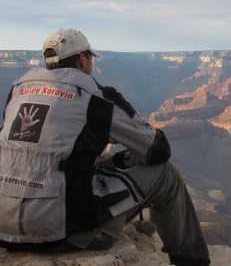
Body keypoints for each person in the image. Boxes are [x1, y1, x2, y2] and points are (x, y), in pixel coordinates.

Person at [0, 28, 210, 266]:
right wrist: (124, 156)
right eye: (90, 57)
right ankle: (192, 262)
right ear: (82, 59)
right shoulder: (96, 97)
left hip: (4, 228)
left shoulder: (17, 90)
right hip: (61, 234)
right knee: (166, 175)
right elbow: (158, 149)